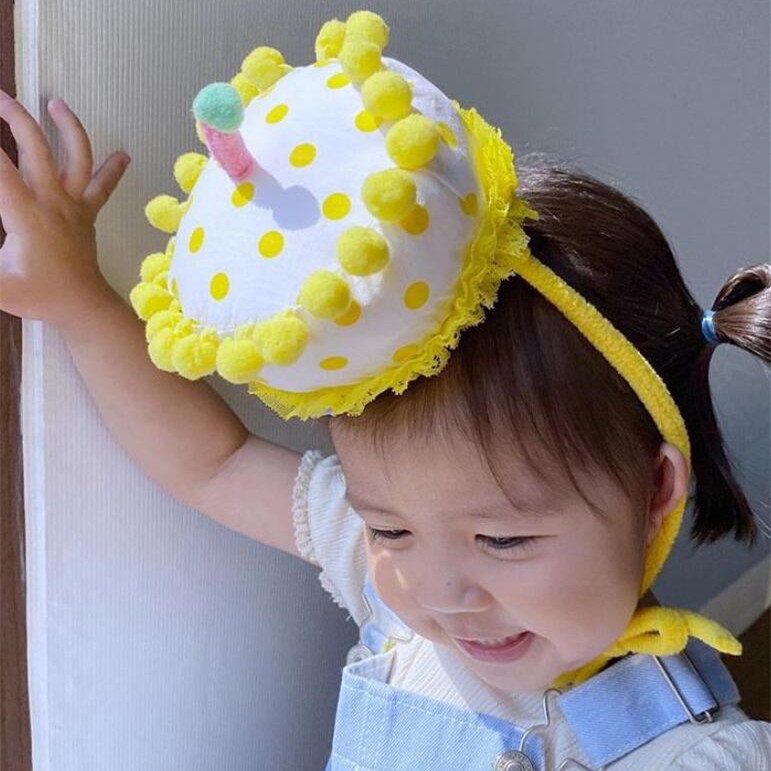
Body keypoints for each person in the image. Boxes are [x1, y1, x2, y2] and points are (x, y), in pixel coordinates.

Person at [1, 9, 769, 769]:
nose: (438, 591)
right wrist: (79, 303)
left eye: (503, 540)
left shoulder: (692, 755)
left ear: (655, 487)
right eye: (389, 528)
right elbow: (214, 462)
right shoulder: (391, 577)